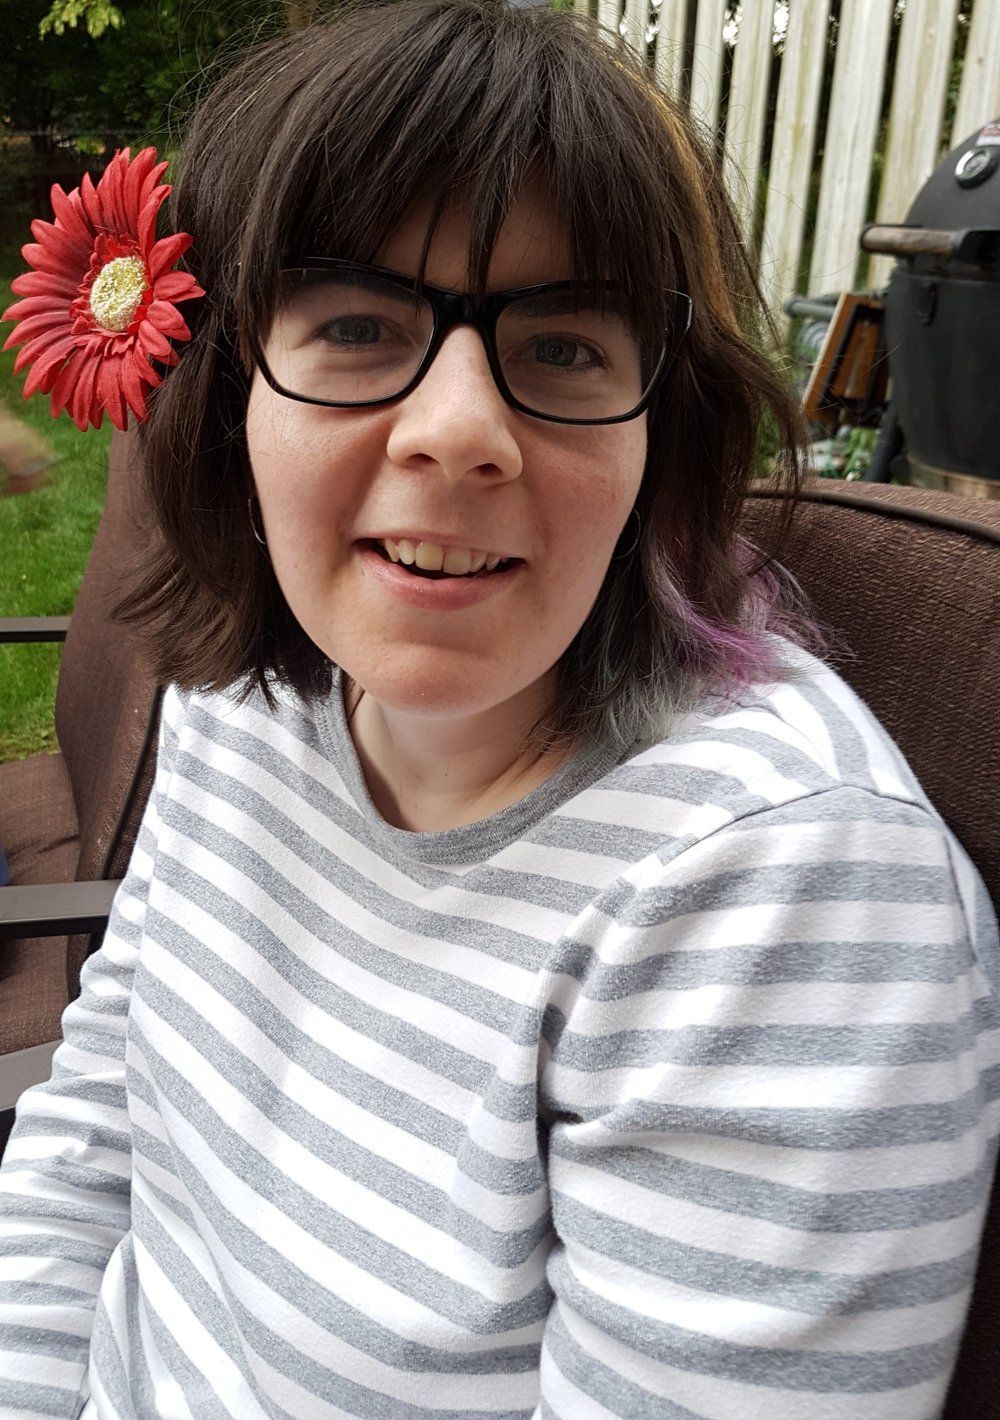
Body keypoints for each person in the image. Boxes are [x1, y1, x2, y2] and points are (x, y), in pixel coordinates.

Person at [0, 1, 997, 1415]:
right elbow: (100, 1114)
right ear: (229, 403)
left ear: (661, 442)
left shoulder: (778, 894)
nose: (459, 430)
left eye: (564, 347)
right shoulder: (249, 687)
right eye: (355, 324)